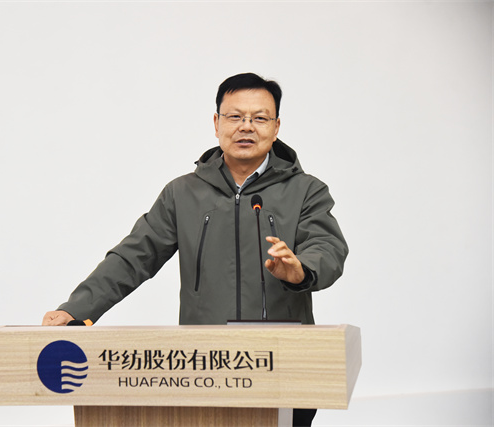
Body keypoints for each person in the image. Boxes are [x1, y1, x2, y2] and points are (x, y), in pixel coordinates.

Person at [42, 72, 348, 427]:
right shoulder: (183, 194)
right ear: (216, 123)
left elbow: (328, 246)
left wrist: (301, 270)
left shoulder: (306, 190)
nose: (246, 126)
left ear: (276, 127)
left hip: (282, 361)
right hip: (204, 366)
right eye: (235, 116)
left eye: (259, 118)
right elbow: (133, 257)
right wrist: (76, 308)